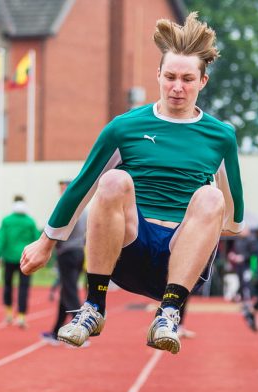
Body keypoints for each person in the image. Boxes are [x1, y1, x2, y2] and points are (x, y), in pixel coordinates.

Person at [20, 12, 244, 355]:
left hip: (177, 259)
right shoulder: (124, 128)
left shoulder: (222, 136)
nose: (177, 87)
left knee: (212, 197)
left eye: (187, 78)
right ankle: (94, 307)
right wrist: (45, 243)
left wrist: (202, 228)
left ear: (203, 81)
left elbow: (234, 220)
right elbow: (82, 185)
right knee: (113, 179)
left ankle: (169, 313)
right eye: (169, 76)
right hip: (129, 248)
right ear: (157, 75)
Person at [40, 179, 87, 345]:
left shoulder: (70, 208)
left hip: (68, 253)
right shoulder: (84, 209)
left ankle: (80, 330)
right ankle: (55, 332)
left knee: (70, 291)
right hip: (79, 252)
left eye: (64, 188)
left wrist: (48, 248)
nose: (61, 192)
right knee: (66, 292)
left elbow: (60, 232)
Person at [0, 194, 40, 328]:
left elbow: (1, 238)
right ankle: (21, 316)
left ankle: (8, 313)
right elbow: (37, 239)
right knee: (24, 288)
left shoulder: (7, 221)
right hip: (25, 258)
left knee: (8, 285)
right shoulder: (30, 221)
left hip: (9, 258)